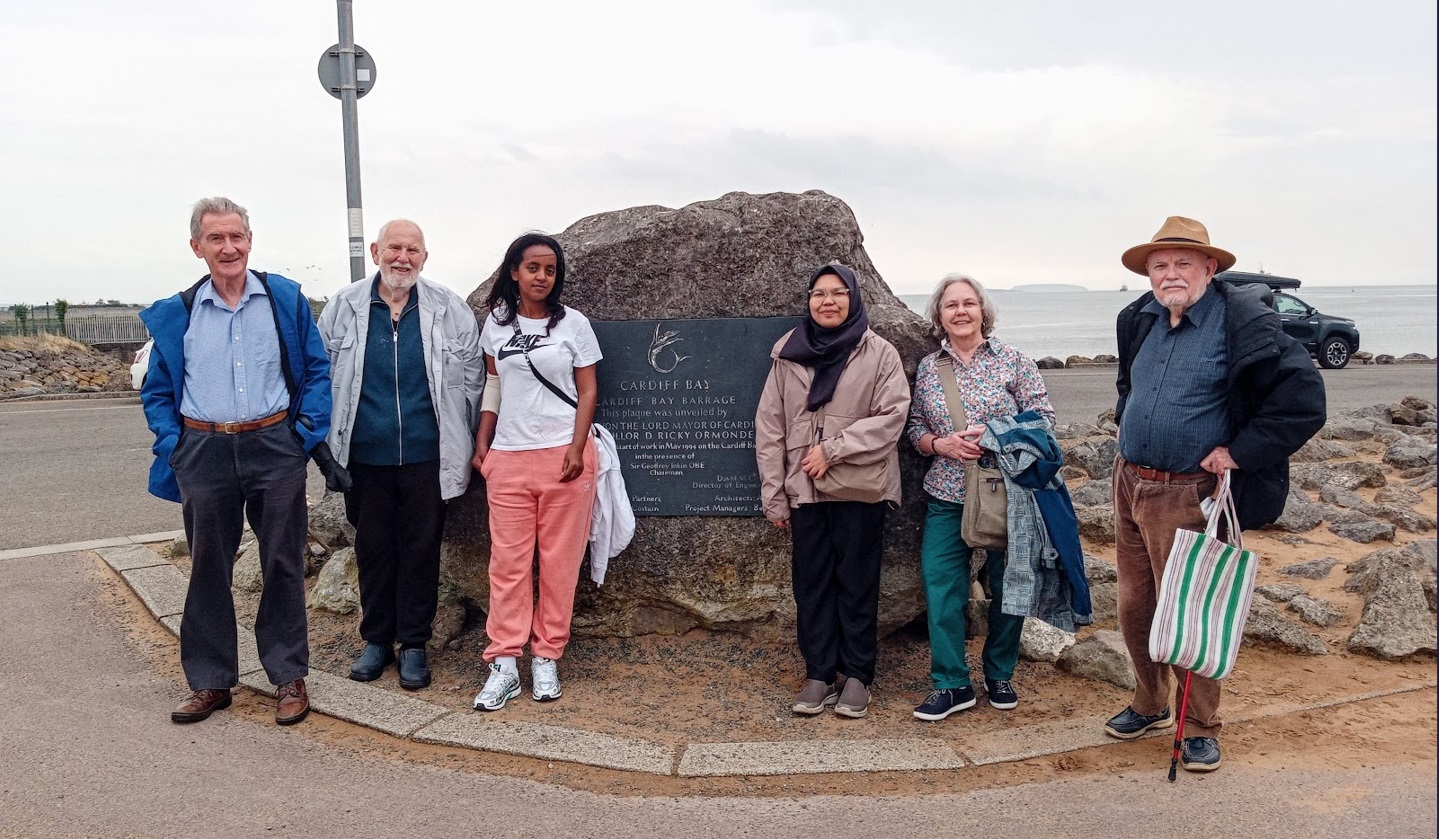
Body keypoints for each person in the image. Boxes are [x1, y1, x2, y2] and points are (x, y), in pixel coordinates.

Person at [1106, 216, 1325, 772]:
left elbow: (1302, 400)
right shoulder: (1140, 319)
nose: (1170, 273)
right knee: (1136, 606)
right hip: (1130, 482)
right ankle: (1150, 701)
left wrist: (1240, 452)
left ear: (1210, 267)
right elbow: (1130, 385)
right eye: (1160, 265)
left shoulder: (1240, 321)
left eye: (1183, 263)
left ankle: (1200, 723)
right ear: (1149, 274)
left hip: (1193, 492)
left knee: (1194, 611)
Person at [140, 196, 331, 726]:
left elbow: (317, 371)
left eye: (237, 237)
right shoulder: (179, 313)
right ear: (197, 246)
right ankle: (210, 682)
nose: (229, 248)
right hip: (203, 449)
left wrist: (303, 435)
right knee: (207, 567)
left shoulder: (284, 300)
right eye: (216, 238)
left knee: (283, 563)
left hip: (275, 446)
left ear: (250, 240)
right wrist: (173, 443)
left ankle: (289, 677)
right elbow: (157, 391)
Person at [318, 219, 484, 690]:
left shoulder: (449, 308)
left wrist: (467, 444)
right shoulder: (344, 307)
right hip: (364, 457)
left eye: (413, 249)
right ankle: (376, 640)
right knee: (372, 549)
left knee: (420, 550)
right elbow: (320, 376)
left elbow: (473, 382)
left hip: (426, 457)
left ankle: (413, 644)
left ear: (424, 258)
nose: (402, 258)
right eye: (394, 247)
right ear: (376, 252)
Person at [755, 263, 909, 720]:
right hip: (803, 490)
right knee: (812, 585)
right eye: (819, 294)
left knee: (857, 584)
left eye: (838, 293)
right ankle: (819, 672)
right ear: (808, 301)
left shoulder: (879, 353)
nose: (828, 301)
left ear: (853, 298)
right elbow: (770, 426)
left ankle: (859, 675)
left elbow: (891, 417)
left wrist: (833, 450)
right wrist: (773, 493)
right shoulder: (787, 353)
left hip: (860, 489)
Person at [904, 274, 1055, 721]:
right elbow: (914, 428)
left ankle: (999, 672)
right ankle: (951, 683)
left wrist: (992, 436)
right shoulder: (930, 368)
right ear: (939, 316)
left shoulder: (1015, 362)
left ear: (983, 311)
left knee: (1009, 586)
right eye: (951, 305)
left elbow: (1044, 421)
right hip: (946, 494)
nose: (961, 311)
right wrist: (938, 444)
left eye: (969, 303)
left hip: (1006, 493)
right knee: (941, 586)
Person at [471, 233, 601, 711]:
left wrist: (576, 446)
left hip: (564, 457)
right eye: (533, 268)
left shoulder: (574, 325)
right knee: (507, 566)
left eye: (549, 269)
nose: (541, 277)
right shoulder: (496, 325)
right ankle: (504, 661)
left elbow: (587, 391)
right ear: (514, 272)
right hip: (509, 456)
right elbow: (493, 385)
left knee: (560, 564)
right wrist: (483, 444)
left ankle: (547, 653)